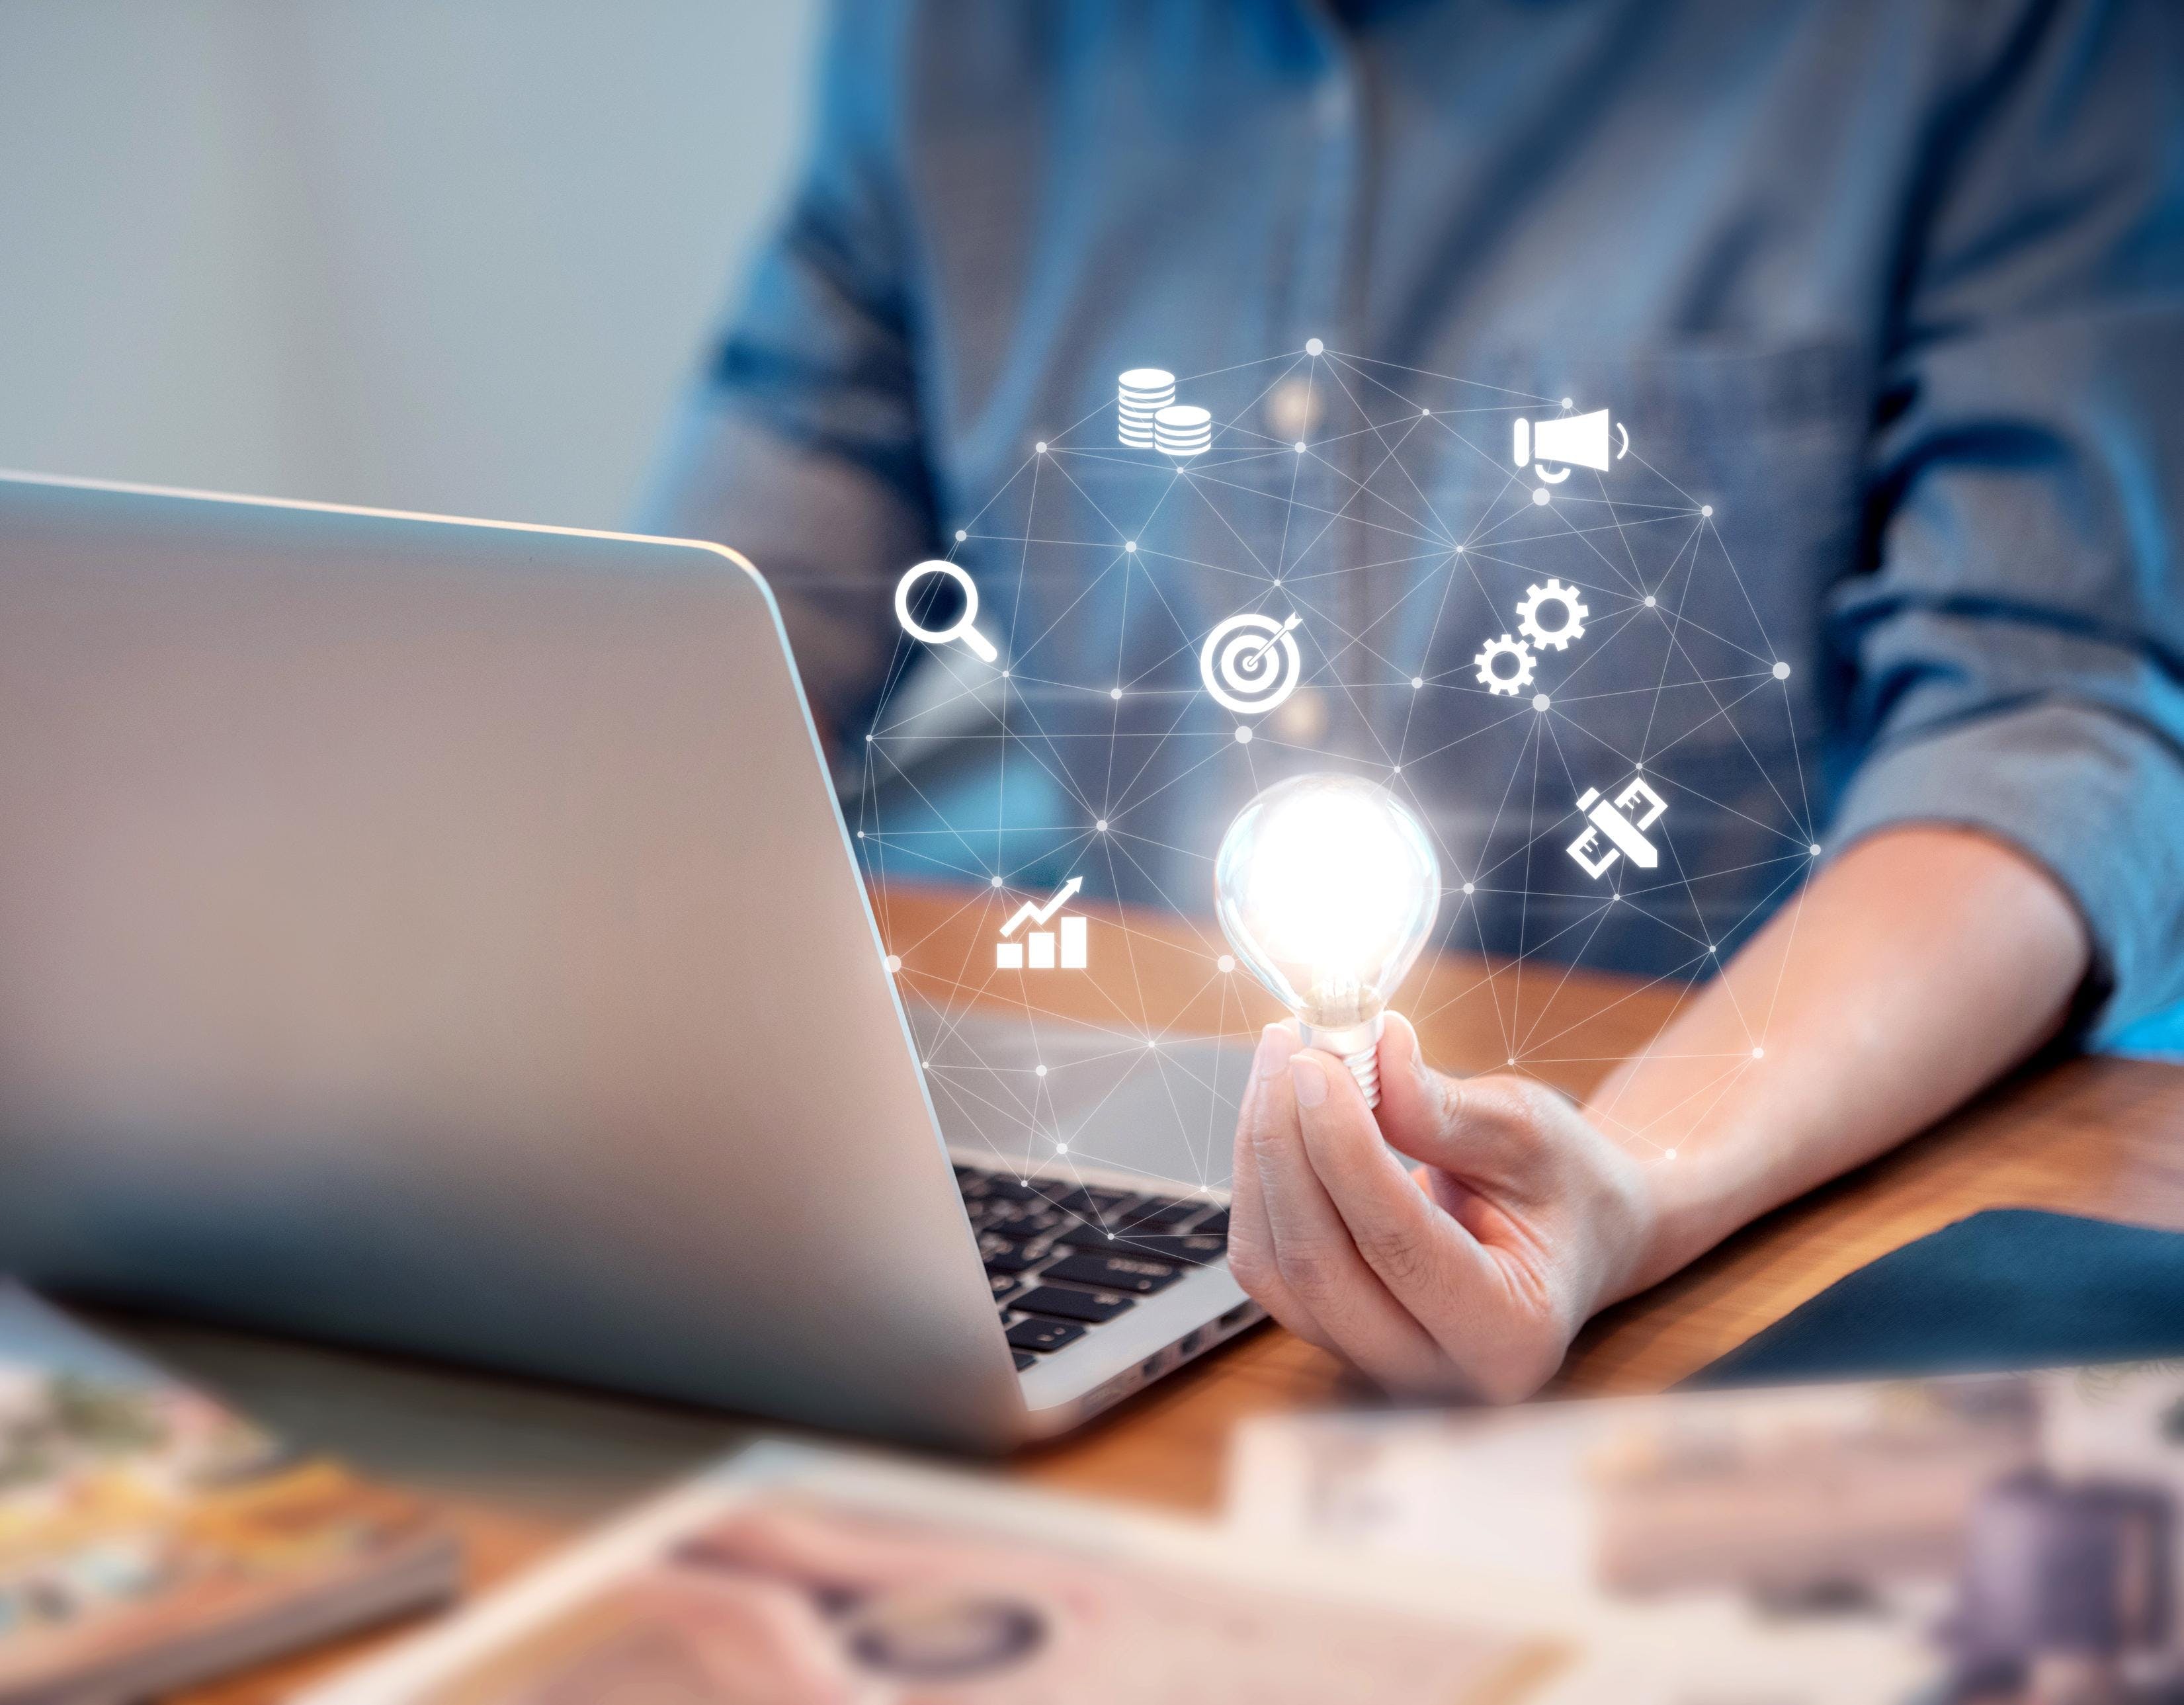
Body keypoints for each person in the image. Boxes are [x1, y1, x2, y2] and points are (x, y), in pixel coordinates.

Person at [638, 0, 2184, 1401]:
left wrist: (1631, 1182)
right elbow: (712, 617)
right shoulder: (945, 38)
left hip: (1764, 1244)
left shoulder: (1993, 36)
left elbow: (2047, 717)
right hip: (1163, 1182)